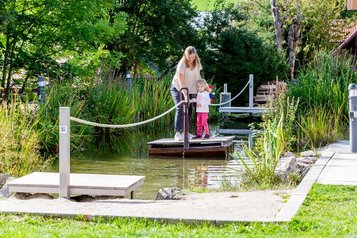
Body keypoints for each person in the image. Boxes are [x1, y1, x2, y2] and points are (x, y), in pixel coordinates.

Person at [170, 46, 202, 141]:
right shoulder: (182, 64)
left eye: (193, 57)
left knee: (189, 110)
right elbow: (181, 83)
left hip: (191, 89)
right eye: (189, 57)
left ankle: (185, 132)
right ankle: (178, 133)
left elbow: (198, 77)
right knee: (181, 107)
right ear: (185, 55)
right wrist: (186, 96)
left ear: (195, 55)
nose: (191, 59)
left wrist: (203, 90)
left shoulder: (197, 63)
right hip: (178, 88)